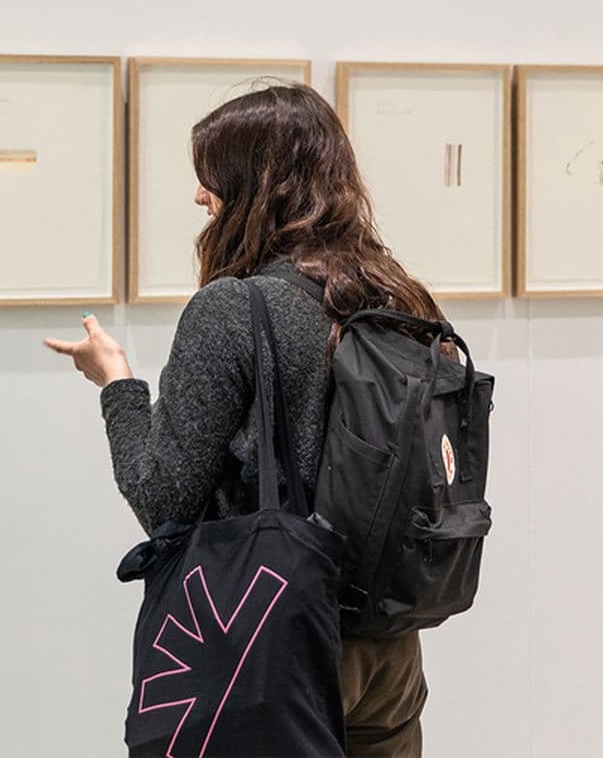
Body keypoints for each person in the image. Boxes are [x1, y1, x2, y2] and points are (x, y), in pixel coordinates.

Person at [47, 82, 440, 757]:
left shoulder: (236, 309)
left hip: (274, 641)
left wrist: (117, 384)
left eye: (213, 177)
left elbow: (161, 497)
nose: (201, 196)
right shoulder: (394, 291)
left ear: (259, 185)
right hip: (390, 648)